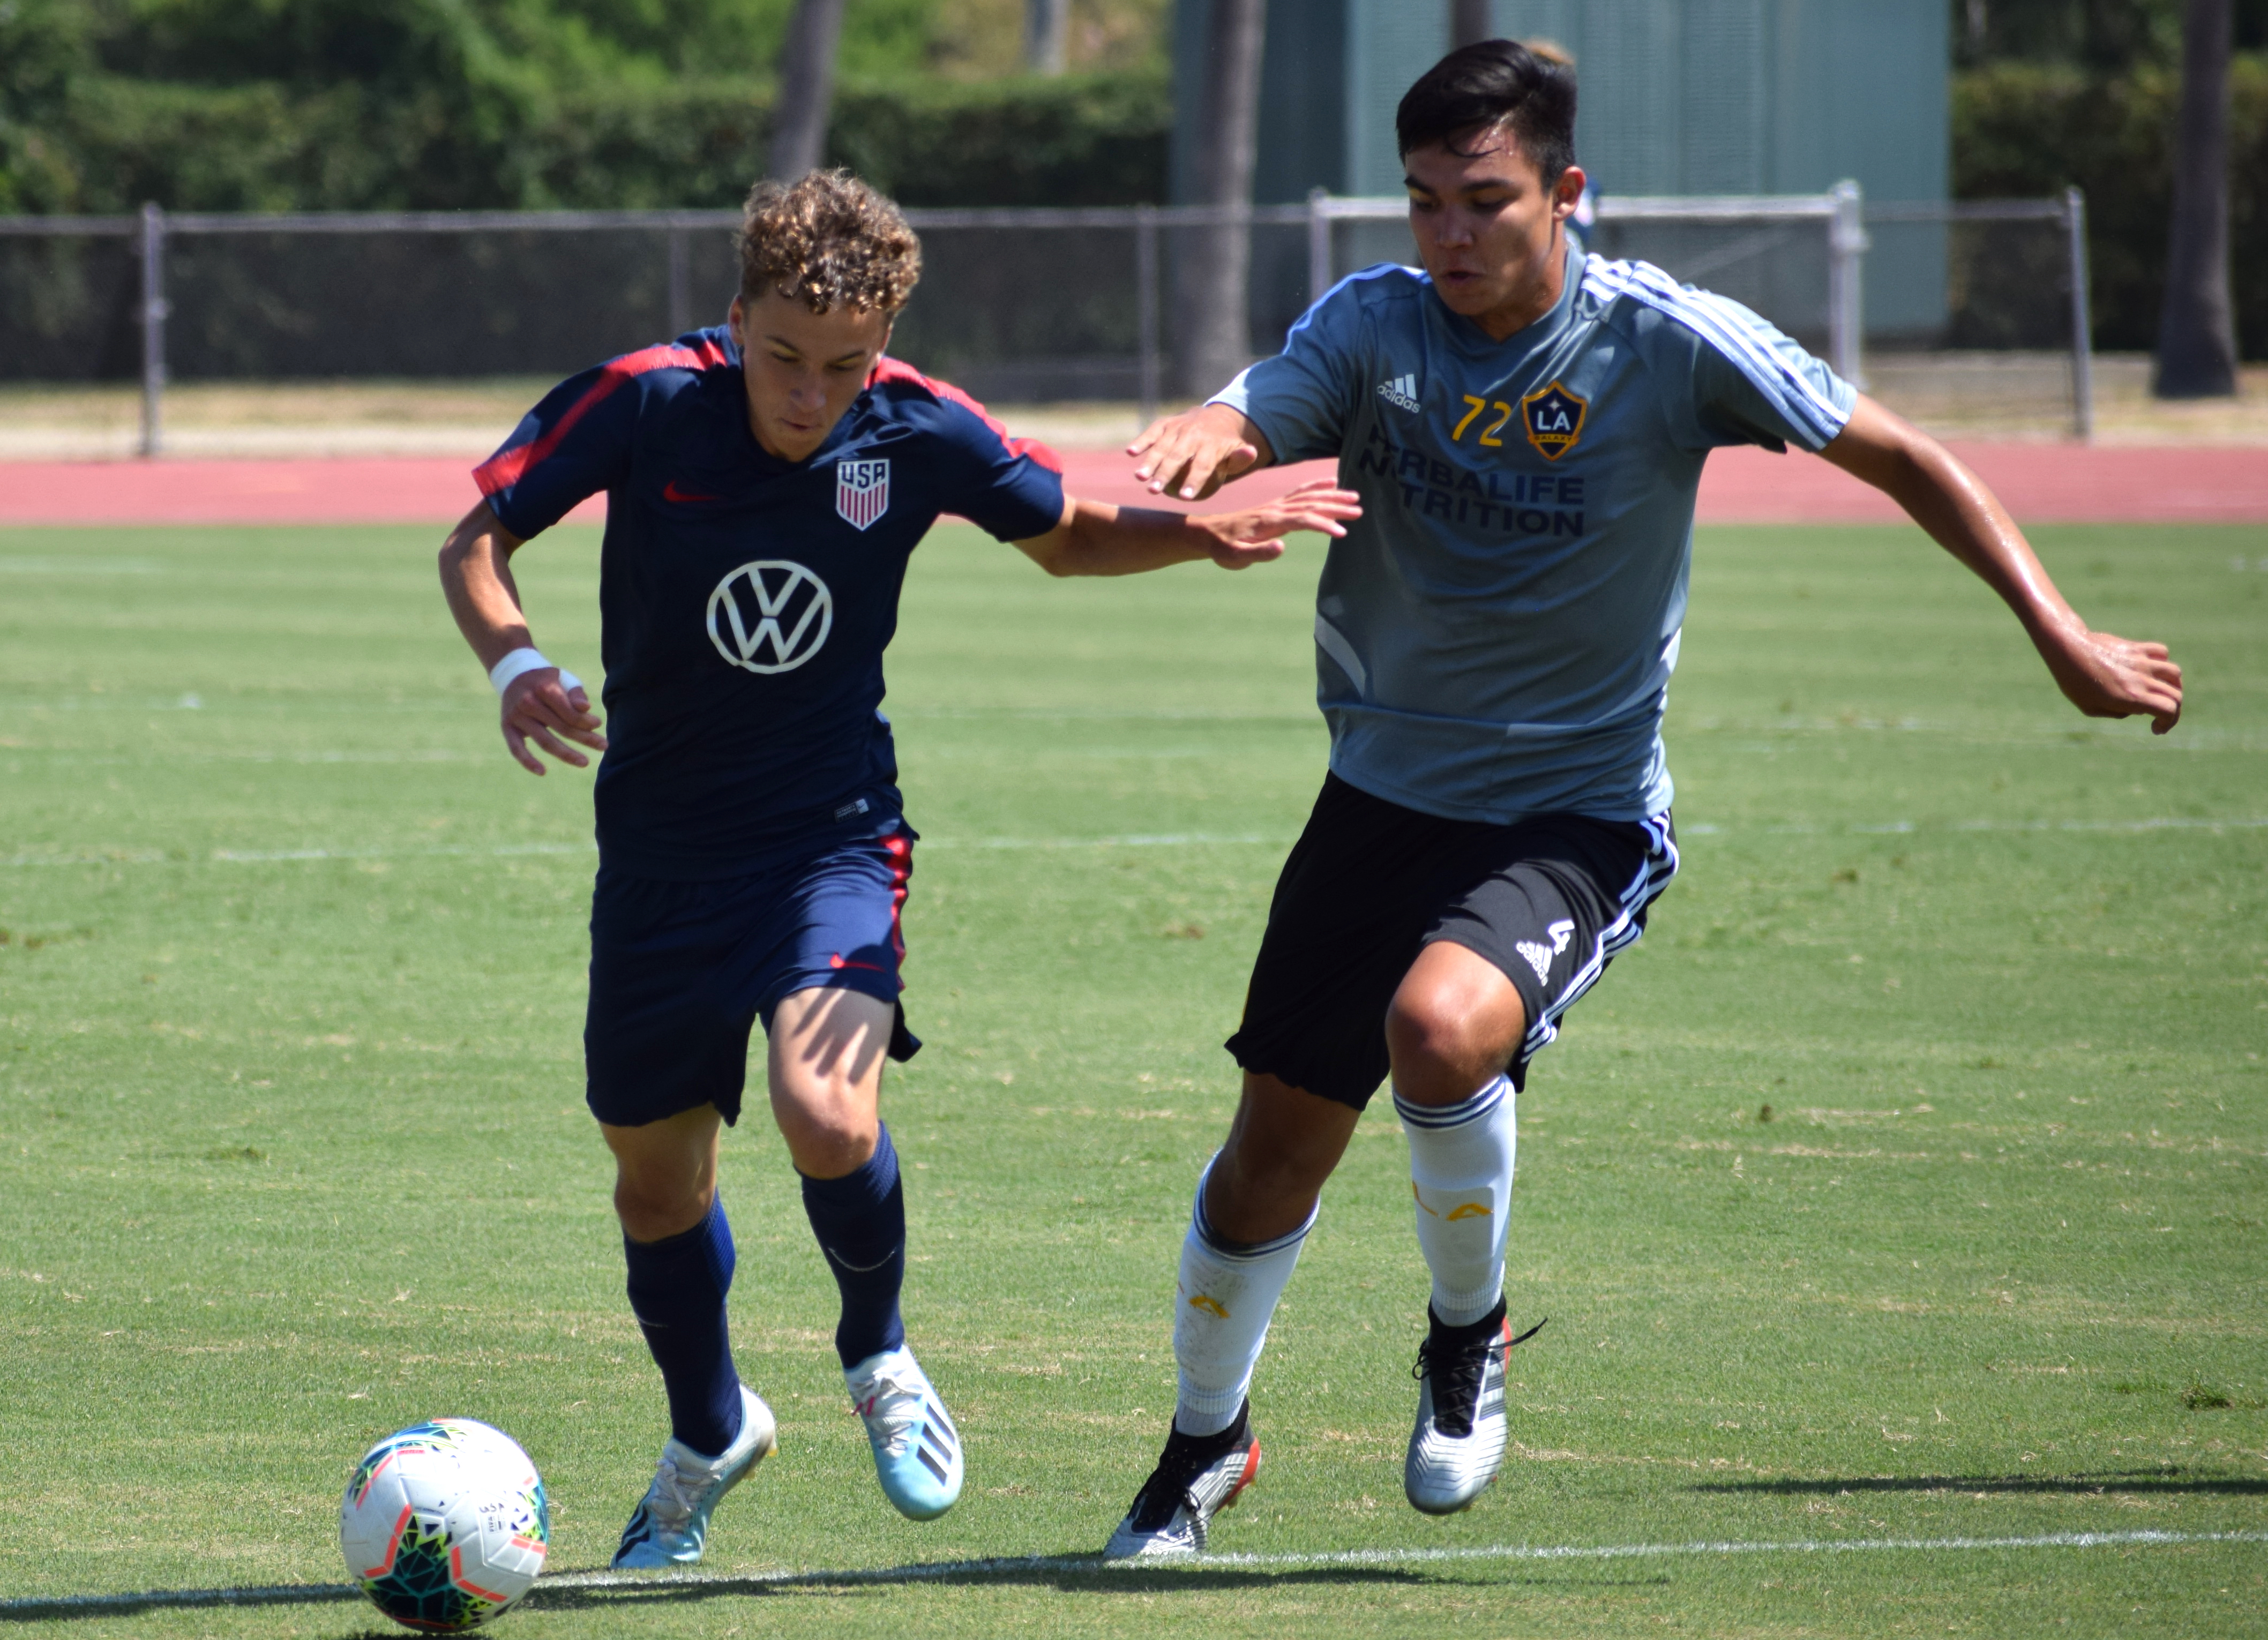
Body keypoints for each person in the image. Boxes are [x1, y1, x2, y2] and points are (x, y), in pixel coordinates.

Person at [1102, 39, 2183, 1560]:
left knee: (1437, 1028)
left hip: (1575, 813)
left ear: (1567, 192)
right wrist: (1218, 439)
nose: (1449, 237)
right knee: (1270, 1152)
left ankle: (1463, 1341)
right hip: (1376, 799)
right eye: (1422, 205)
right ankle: (1204, 1446)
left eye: (1482, 202)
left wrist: (2058, 631)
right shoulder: (1374, 326)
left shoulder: (1663, 340)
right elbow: (1262, 405)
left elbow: (1902, 452)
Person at [436, 169, 1359, 1569]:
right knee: (655, 1188)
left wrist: (1199, 536)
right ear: (734, 315)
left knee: (827, 1113)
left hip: (832, 839)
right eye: (783, 359)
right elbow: (479, 538)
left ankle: (876, 1355)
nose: (809, 396)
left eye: (842, 368)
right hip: (660, 864)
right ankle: (709, 1430)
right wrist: (515, 660)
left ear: (883, 347)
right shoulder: (642, 401)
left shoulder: (913, 424)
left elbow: (1064, 533)